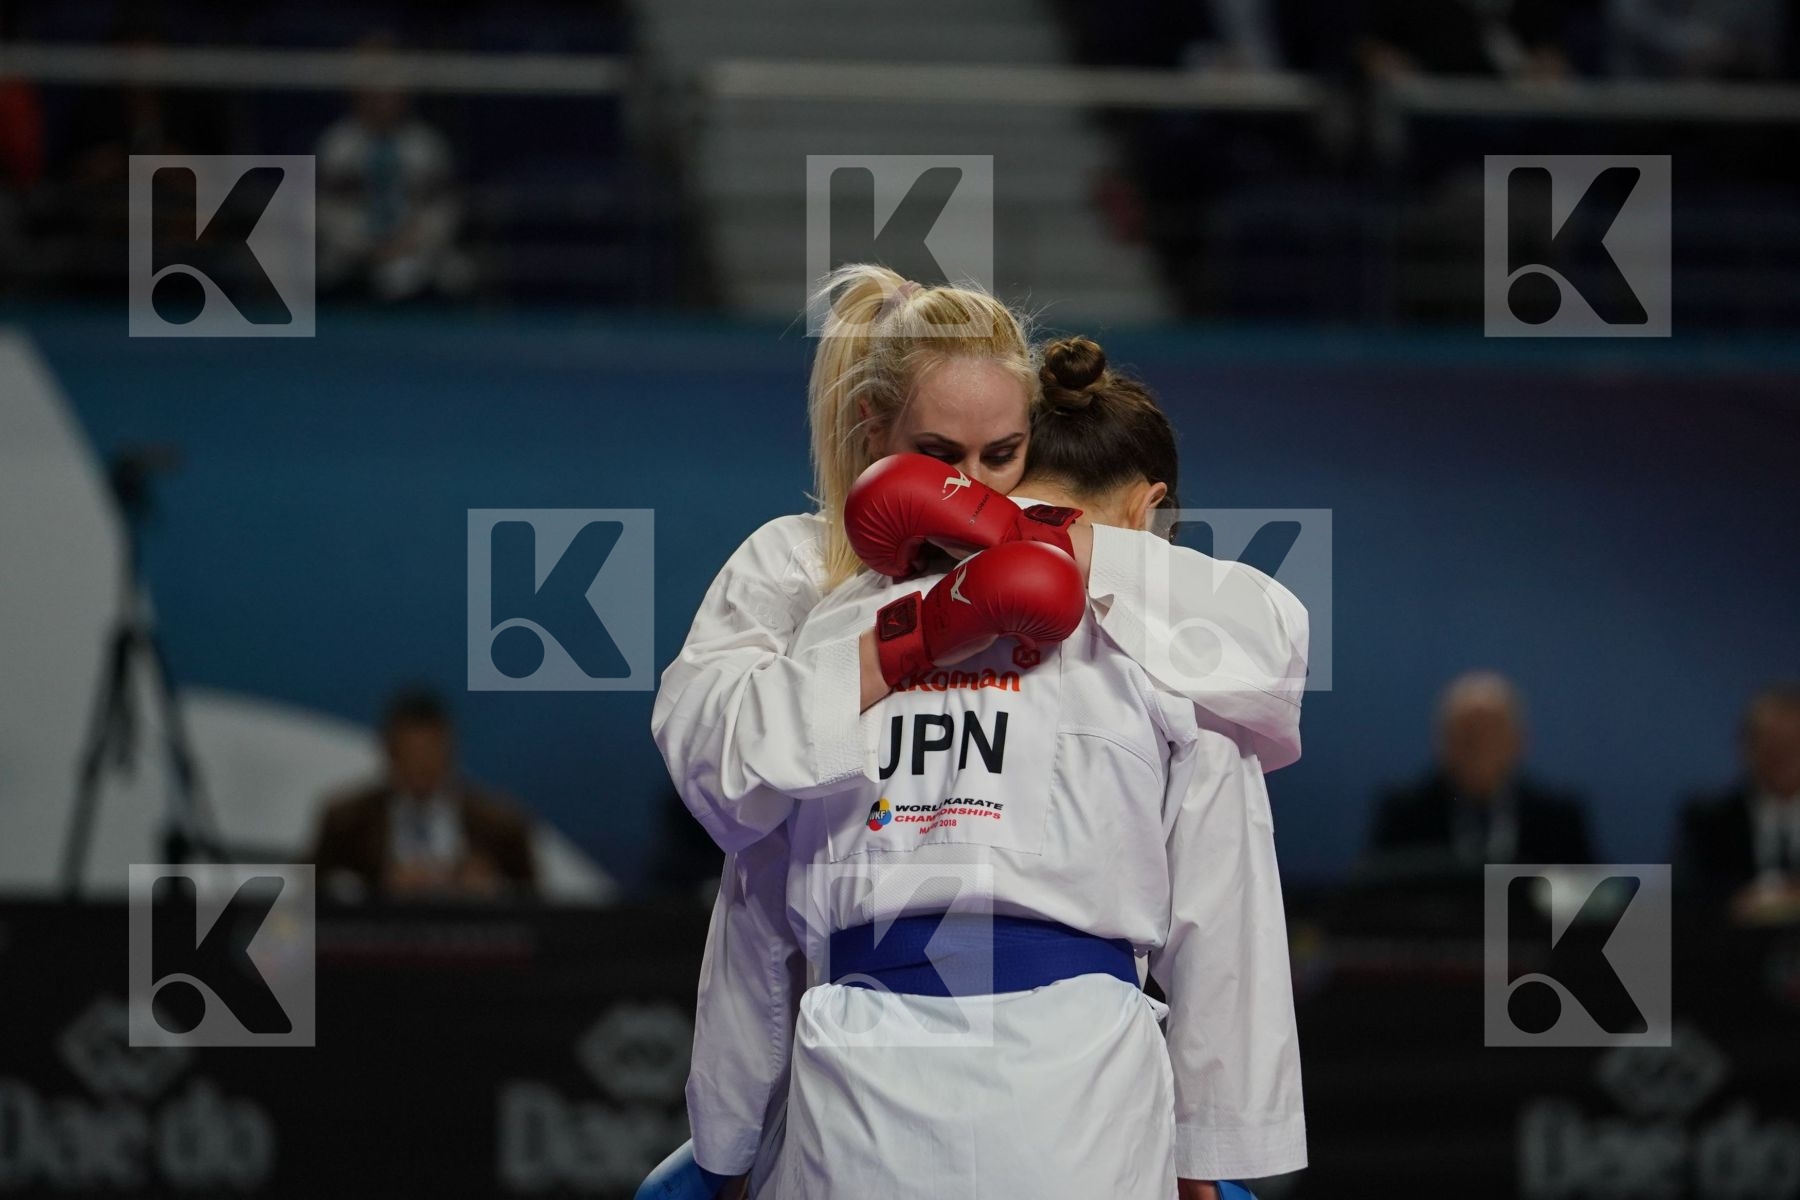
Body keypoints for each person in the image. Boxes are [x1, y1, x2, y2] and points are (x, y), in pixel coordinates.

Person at [679, 338, 1307, 1200]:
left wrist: (727, 1142)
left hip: (857, 1098)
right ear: (1148, 509)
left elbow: (755, 900)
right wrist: (1212, 1150)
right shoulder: (1188, 661)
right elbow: (1224, 916)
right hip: (1085, 1103)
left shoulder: (841, 626)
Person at [311, 687, 536, 900]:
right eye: (411, 753)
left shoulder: (500, 825)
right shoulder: (347, 822)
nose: (421, 765)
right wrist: (375, 888)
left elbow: (534, 906)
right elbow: (303, 904)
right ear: (390, 752)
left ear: (450, 751)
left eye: (431, 753)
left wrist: (492, 890)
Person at [1365, 671, 1594, 873]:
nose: (1479, 747)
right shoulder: (1405, 815)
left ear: (1519, 741)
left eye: (1492, 734)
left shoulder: (1557, 818)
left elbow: (1596, 897)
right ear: (1442, 742)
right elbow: (1375, 894)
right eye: (1467, 734)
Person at [315, 34, 471, 302]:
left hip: (417, 251)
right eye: (373, 87)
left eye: (390, 88)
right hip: (351, 254)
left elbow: (444, 209)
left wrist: (408, 243)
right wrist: (367, 246)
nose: (382, 97)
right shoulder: (338, 145)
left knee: (456, 276)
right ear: (357, 91)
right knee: (323, 275)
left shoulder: (427, 145)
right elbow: (325, 210)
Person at [1674, 684, 1800, 922]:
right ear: (1746, 747)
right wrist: (1736, 902)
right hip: (1732, 940)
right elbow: (1682, 895)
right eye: (1771, 742)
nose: (1782, 754)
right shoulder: (1709, 818)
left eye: (1793, 742)